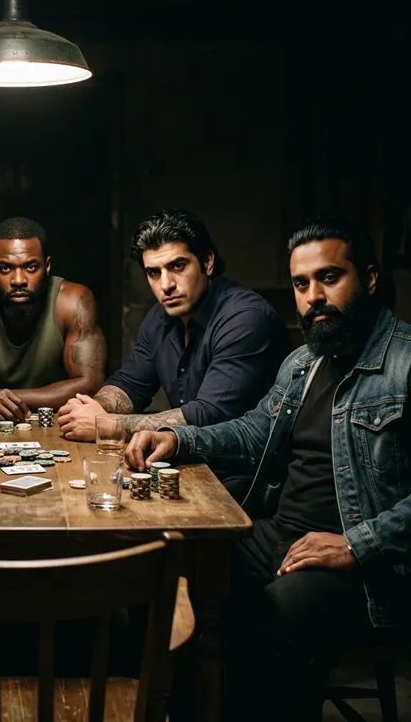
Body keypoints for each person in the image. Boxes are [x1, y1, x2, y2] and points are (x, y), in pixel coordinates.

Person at [124, 216, 410, 721]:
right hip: (280, 533)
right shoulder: (304, 362)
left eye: (329, 278)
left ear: (368, 278)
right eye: (301, 284)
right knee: (169, 579)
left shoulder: (404, 364)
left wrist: (356, 543)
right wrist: (176, 439)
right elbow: (253, 430)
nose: (313, 297)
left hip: (371, 568)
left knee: (269, 623)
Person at [58, 210, 288, 490]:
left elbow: (209, 414)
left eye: (178, 266)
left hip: (246, 479)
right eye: (154, 273)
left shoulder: (246, 318)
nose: (166, 285)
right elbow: (130, 383)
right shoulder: (160, 317)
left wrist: (105, 424)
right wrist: (96, 407)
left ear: (207, 262)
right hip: (187, 466)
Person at [0, 216, 107, 421]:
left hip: (58, 424)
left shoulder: (73, 302)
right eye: (5, 268)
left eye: (31, 267)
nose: (18, 280)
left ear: (47, 265)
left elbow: (91, 384)